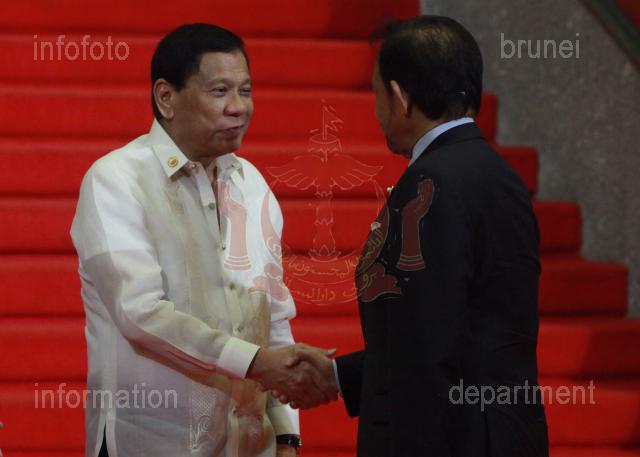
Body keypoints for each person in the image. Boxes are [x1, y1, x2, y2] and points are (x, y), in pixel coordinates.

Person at [277, 15, 549, 457]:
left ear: (400, 97)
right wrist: (340, 377)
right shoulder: (499, 175)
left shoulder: (429, 185)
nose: (376, 111)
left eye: (377, 94)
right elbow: (457, 334)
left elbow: (430, 353)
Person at [71, 23, 337, 457]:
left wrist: (287, 433)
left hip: (251, 443)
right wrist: (255, 363)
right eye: (219, 91)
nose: (238, 108)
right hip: (151, 443)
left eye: (245, 91)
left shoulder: (252, 185)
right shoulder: (116, 180)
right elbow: (140, 313)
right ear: (166, 97)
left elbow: (272, 314)